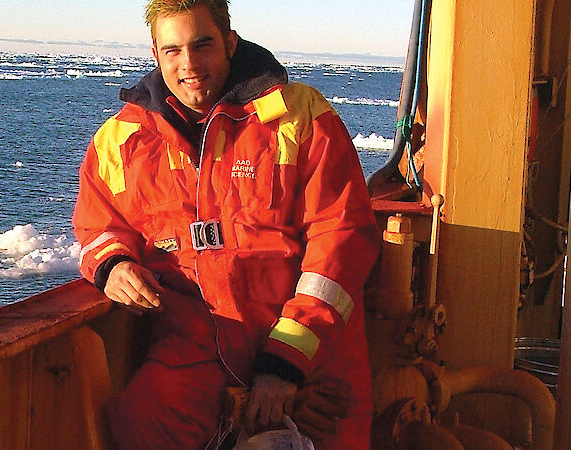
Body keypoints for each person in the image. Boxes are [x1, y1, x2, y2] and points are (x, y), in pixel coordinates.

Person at [72, 0, 379, 448]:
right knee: (141, 419)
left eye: (203, 45)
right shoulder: (122, 140)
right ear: (155, 53)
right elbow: (97, 226)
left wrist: (286, 362)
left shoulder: (299, 119)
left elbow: (341, 240)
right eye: (173, 49)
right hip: (196, 352)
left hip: (309, 352)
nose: (189, 64)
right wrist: (112, 264)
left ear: (230, 43)